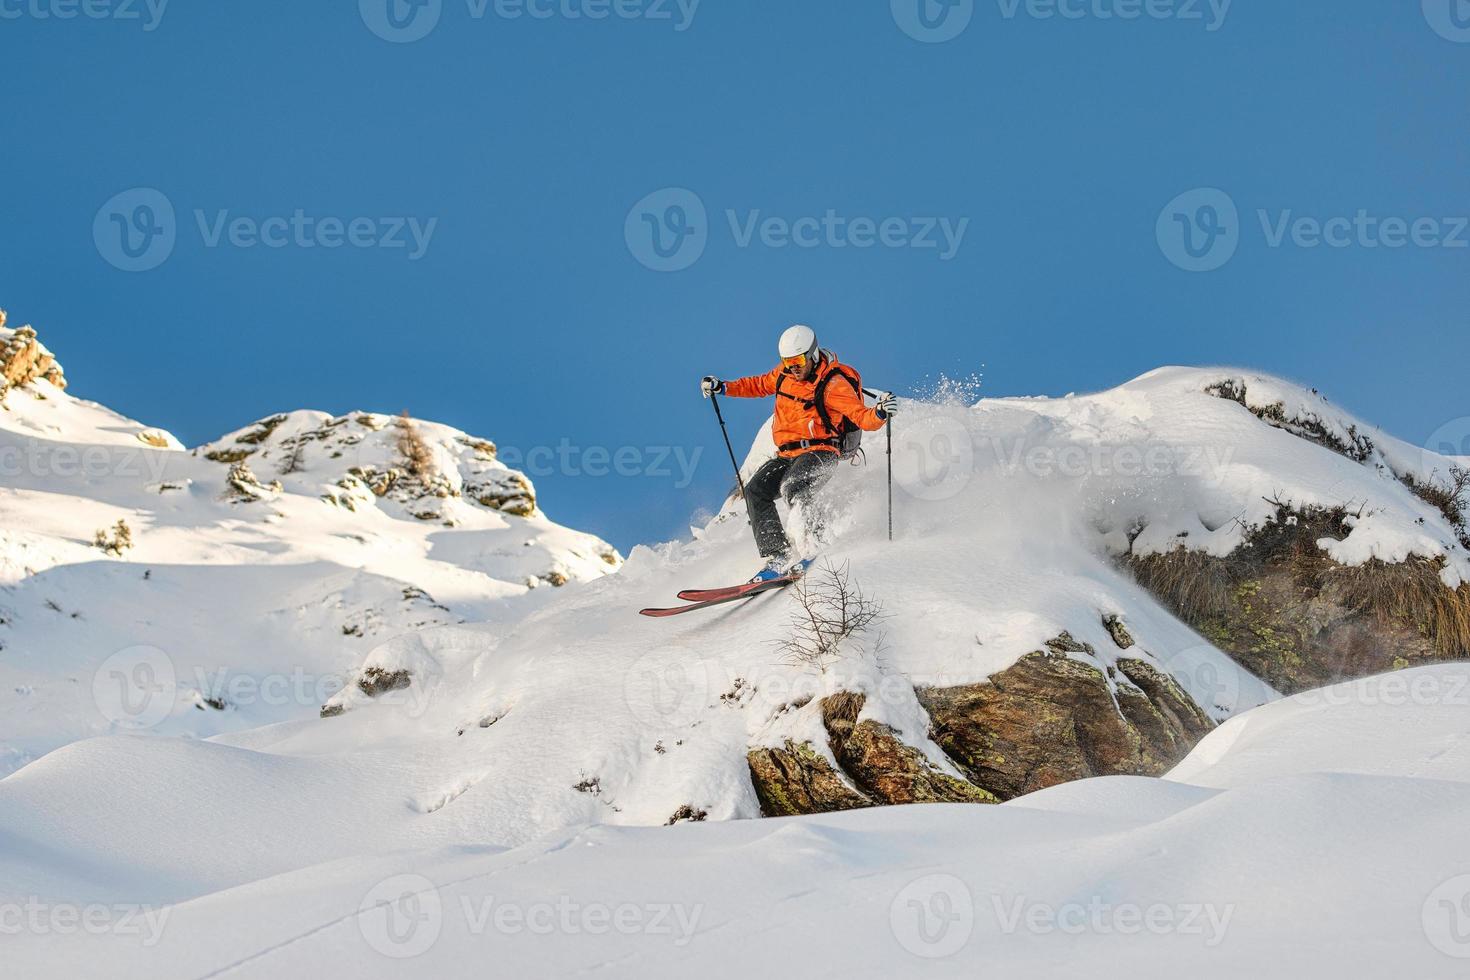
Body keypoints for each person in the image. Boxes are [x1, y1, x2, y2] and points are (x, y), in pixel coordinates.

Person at [702, 325, 898, 581]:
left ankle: (815, 541)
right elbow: (758, 385)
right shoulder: (783, 375)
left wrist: (880, 413)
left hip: (821, 451)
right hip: (786, 453)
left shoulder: (833, 385)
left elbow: (862, 417)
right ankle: (778, 555)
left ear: (813, 355)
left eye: (798, 360)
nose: (793, 367)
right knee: (754, 491)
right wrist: (724, 387)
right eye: (787, 361)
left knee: (793, 487)